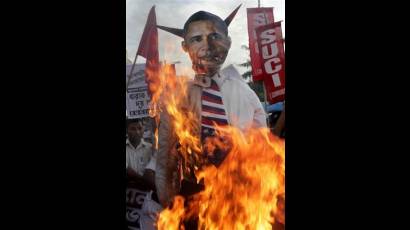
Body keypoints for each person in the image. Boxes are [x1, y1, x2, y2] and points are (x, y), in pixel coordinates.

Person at [155, 4, 267, 208]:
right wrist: (166, 199)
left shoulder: (247, 95)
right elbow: (165, 155)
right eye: (197, 39)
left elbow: (262, 148)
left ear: (228, 43)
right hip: (192, 194)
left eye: (215, 36)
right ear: (185, 47)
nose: (207, 45)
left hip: (239, 194)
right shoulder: (177, 96)